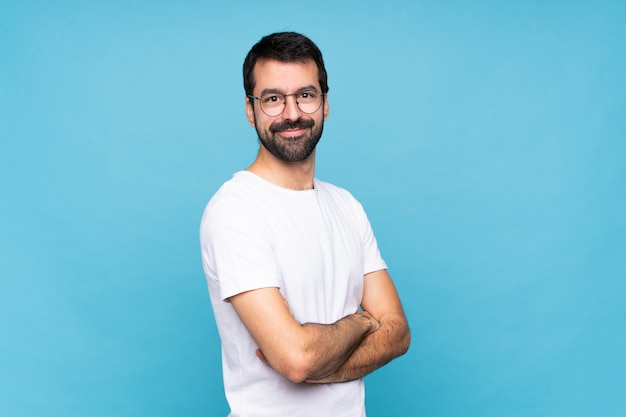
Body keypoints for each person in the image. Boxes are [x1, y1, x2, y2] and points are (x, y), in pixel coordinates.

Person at [199, 31, 410, 417]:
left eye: (306, 95)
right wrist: (363, 321)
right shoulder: (235, 211)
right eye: (273, 99)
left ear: (325, 104)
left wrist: (320, 369)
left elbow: (397, 332)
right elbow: (296, 358)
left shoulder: (346, 205)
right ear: (251, 111)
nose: (292, 113)